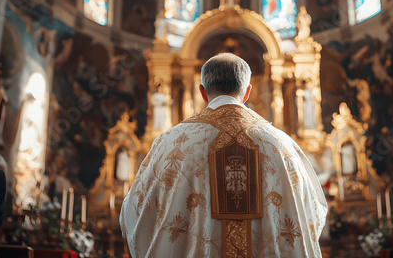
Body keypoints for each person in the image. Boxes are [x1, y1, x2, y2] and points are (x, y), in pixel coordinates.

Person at [120, 53, 327, 257]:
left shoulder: (170, 143)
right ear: (247, 92)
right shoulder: (282, 145)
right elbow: (311, 217)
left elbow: (136, 215)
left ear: (203, 92)